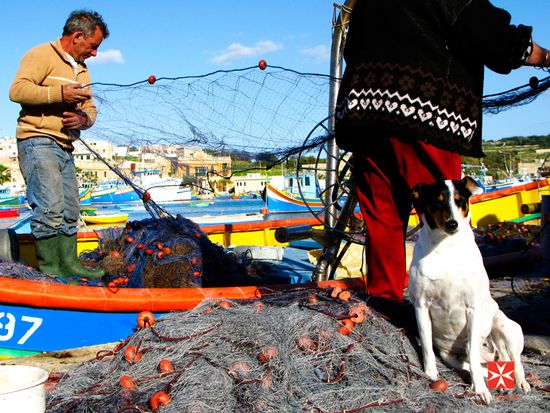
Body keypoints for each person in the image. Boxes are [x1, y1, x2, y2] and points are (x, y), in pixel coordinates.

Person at [335, 0, 549, 304]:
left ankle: (386, 309)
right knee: (448, 220)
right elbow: (496, 39)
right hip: (423, 115)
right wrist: (546, 57)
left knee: (383, 222)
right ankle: (457, 313)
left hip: (364, 117)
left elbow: (350, 52)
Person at [10, 10, 109, 280]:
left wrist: (82, 118)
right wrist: (59, 93)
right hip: (37, 141)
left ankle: (69, 264)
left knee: (70, 210)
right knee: (49, 208)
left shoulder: (84, 71)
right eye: (93, 46)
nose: (95, 54)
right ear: (77, 36)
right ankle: (50, 271)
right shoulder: (40, 55)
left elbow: (90, 109)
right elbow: (17, 91)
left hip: (66, 146)